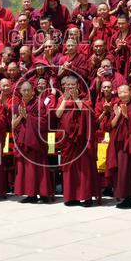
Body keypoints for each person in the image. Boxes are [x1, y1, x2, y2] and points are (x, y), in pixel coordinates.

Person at [54, 74, 99, 207]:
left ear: (78, 86)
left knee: (83, 168)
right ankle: (71, 196)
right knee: (69, 168)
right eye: (67, 86)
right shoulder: (62, 98)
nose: (69, 88)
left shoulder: (85, 98)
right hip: (67, 139)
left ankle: (86, 197)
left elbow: (88, 113)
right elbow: (57, 114)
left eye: (72, 85)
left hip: (81, 139)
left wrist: (75, 99)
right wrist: (65, 100)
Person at [11, 80, 54, 203]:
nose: (25, 92)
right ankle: (31, 195)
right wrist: (21, 116)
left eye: (28, 90)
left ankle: (44, 194)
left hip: (36, 143)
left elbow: (44, 122)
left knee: (38, 168)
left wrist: (28, 117)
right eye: (23, 90)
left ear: (32, 91)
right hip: (24, 142)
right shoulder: (17, 106)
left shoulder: (39, 104)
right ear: (20, 92)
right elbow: (13, 125)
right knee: (27, 170)